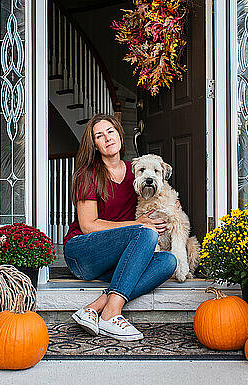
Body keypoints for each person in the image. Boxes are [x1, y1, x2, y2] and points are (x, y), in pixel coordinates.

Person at [63, 113, 177, 341]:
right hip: (83, 252)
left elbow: (159, 194)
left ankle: (95, 307)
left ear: (120, 135)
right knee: (145, 233)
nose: (107, 138)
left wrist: (172, 205)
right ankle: (111, 314)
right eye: (99, 136)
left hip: (120, 255)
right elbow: (88, 226)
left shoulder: (137, 171)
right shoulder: (88, 175)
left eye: (110, 132)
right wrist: (138, 225)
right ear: (94, 145)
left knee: (168, 262)